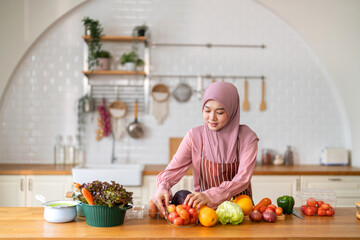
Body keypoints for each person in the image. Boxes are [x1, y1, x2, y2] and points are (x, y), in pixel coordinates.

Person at [153, 81, 259, 215]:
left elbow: (242, 179)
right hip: (206, 212)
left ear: (232, 110)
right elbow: (173, 170)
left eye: (220, 112)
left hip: (241, 211)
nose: (212, 118)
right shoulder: (194, 136)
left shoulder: (247, 138)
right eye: (207, 110)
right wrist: (162, 187)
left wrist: (211, 195)